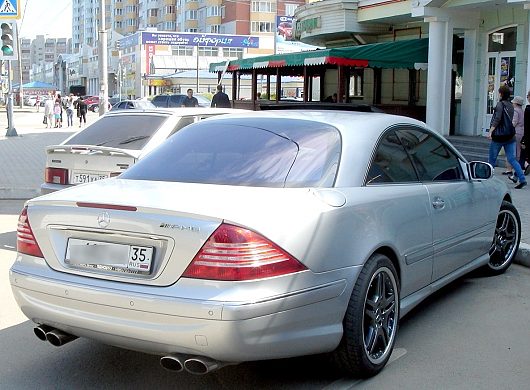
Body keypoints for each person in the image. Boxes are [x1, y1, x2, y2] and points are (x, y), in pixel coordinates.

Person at [488, 85, 527, 189]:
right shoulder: (511, 105)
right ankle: (522, 179)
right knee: (512, 159)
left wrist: (491, 131)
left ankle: (487, 179)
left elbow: (497, 119)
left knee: (492, 159)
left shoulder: (500, 105)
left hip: (499, 136)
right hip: (510, 136)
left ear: (500, 94)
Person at [502, 96, 525, 178]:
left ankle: (512, 170)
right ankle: (515, 170)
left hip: (515, 132)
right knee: (518, 151)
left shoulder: (515, 111)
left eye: (513, 102)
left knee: (512, 151)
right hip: (521, 132)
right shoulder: (522, 111)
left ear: (515, 103)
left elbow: (514, 122)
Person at [522, 90, 530, 175]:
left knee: (525, 154)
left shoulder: (528, 109)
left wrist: (523, 140)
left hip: (528, 136)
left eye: (527, 96)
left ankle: (526, 164)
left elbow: (526, 125)